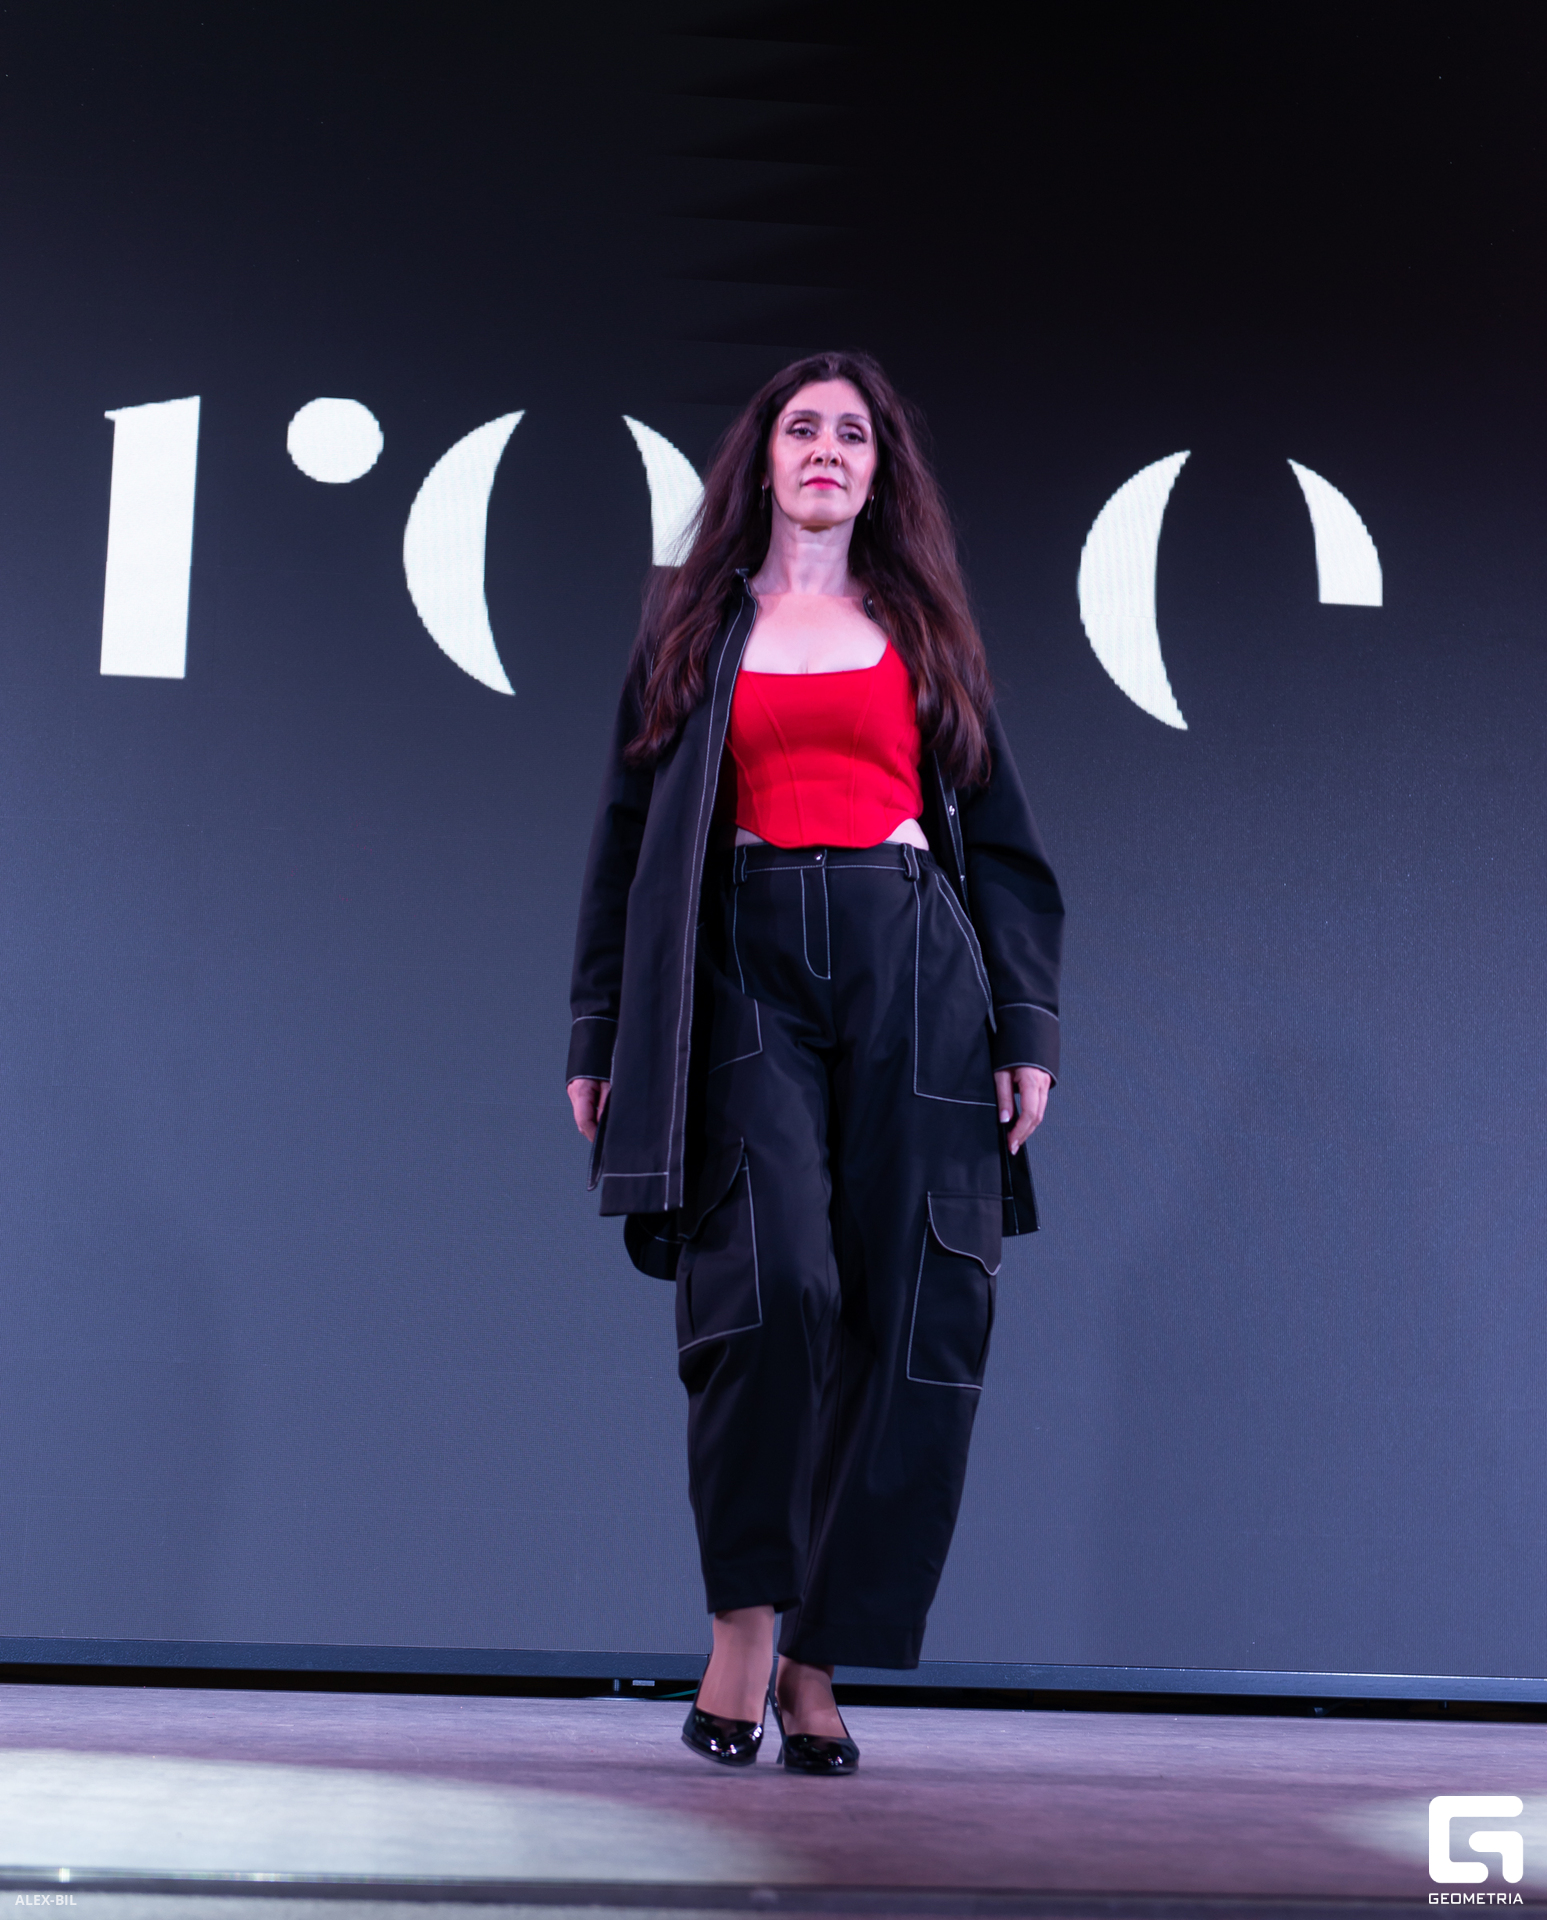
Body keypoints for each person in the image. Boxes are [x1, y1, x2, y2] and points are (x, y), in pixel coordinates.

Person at [566, 351, 1062, 1773]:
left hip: (915, 962)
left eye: (854, 432)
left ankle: (820, 1660)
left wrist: (1024, 1027)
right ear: (766, 459)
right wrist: (600, 1030)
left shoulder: (924, 631)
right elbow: (624, 845)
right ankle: (742, 1631)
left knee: (911, 1309)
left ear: (880, 471)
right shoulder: (693, 627)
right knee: (770, 1283)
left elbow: (1004, 846)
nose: (828, 449)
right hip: (744, 960)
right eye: (803, 428)